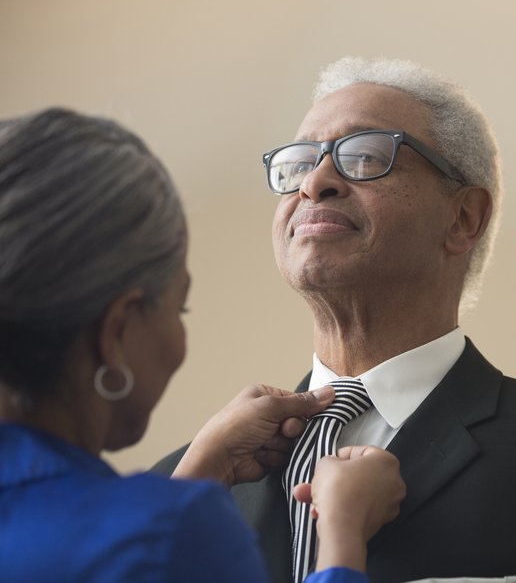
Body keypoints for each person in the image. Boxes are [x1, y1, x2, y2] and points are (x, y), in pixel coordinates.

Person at [155, 56, 516, 582]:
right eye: (299, 163)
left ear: (464, 218)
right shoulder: (180, 486)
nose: (314, 182)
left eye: (365, 156)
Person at [0, 108, 403, 583]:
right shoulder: (170, 527)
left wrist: (195, 476)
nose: (315, 183)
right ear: (116, 333)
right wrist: (342, 540)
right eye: (180, 308)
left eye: (365, 156)